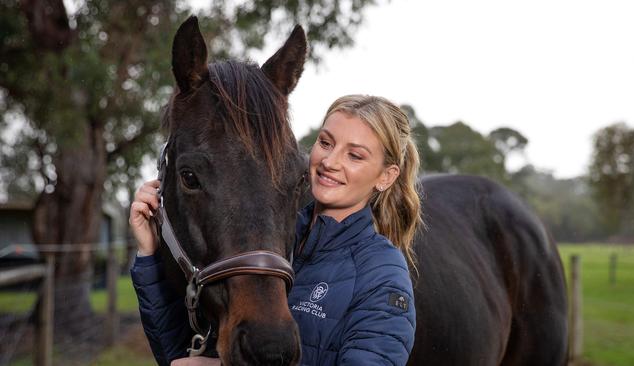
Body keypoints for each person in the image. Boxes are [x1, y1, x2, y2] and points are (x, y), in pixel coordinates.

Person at [130, 95, 422, 365]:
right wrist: (150, 252)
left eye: (354, 156)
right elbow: (182, 357)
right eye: (325, 143)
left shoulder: (383, 275)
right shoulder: (270, 246)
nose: (330, 162)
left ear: (386, 176)